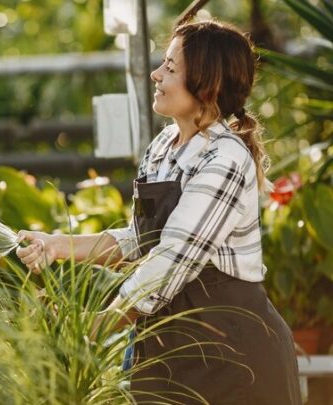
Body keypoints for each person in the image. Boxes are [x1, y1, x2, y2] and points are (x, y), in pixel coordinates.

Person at [16, 20, 302, 404]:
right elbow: (141, 240)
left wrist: (98, 324)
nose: (155, 74)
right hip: (169, 347)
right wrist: (55, 245)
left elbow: (173, 259)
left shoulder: (226, 159)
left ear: (206, 82)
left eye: (170, 67)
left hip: (233, 354)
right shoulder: (165, 145)